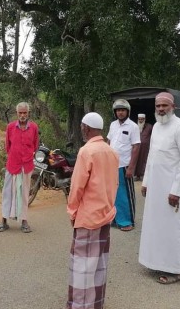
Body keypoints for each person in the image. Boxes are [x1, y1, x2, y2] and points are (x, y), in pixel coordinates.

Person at [138, 92, 180, 284]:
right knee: (157, 226)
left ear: (173, 107)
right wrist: (146, 182)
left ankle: (177, 270)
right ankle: (158, 262)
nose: (161, 109)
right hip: (156, 187)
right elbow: (152, 158)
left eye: (165, 105)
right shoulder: (156, 128)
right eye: (158, 106)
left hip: (173, 190)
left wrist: (177, 191)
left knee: (174, 228)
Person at [66, 112, 119, 309]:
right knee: (99, 264)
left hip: (87, 217)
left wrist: (72, 211)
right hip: (105, 214)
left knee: (82, 267)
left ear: (86, 128)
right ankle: (96, 304)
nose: (81, 129)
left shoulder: (86, 151)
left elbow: (77, 186)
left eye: (82, 126)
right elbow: (115, 183)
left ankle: (79, 305)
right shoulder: (111, 151)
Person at [0, 102, 39, 233]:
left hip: (26, 165)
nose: (22, 115)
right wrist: (15, 156)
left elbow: (35, 145)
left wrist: (25, 156)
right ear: (17, 113)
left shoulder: (34, 127)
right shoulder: (10, 127)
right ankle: (4, 221)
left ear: (28, 113)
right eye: (20, 113)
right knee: (7, 192)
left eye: (24, 113)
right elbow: (8, 146)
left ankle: (24, 221)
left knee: (25, 193)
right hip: (12, 165)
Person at [107, 99, 141, 231]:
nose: (120, 113)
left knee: (125, 194)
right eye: (118, 110)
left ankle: (128, 221)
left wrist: (131, 167)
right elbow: (109, 142)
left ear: (127, 111)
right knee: (113, 193)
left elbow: (136, 147)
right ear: (115, 112)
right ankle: (116, 219)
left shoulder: (133, 126)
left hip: (125, 165)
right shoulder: (113, 125)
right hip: (112, 165)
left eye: (123, 110)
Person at [134, 113, 153, 181]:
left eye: (142, 119)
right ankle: (137, 175)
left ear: (144, 119)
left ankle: (143, 176)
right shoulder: (135, 126)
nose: (141, 120)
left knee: (144, 161)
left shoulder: (149, 126)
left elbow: (153, 136)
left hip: (146, 148)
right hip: (136, 147)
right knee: (136, 160)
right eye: (139, 119)